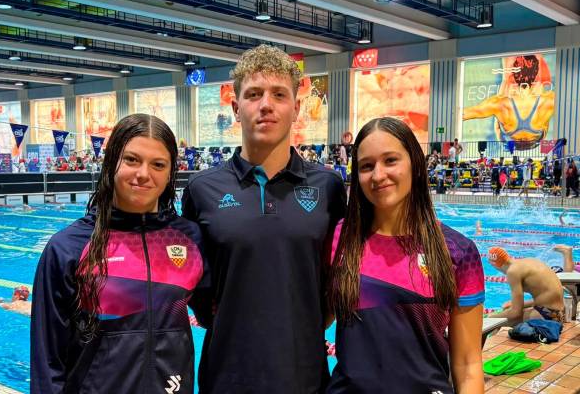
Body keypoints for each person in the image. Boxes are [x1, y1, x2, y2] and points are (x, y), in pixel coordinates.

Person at [182, 44, 346, 394]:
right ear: (236, 108)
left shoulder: (329, 187)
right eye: (254, 94)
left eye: (279, 94)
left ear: (297, 108)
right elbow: (197, 287)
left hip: (304, 376)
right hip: (227, 376)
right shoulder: (201, 189)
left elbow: (337, 279)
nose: (266, 105)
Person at [31, 114, 207, 393]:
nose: (143, 174)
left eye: (158, 164)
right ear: (112, 161)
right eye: (132, 160)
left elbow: (217, 314)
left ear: (171, 172)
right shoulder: (69, 248)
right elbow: (47, 360)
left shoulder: (190, 240)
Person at [327, 117, 484, 393]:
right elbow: (315, 320)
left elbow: (468, 364)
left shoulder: (458, 251)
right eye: (366, 166)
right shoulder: (341, 239)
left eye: (390, 160)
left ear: (415, 164)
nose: (377, 175)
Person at [463, 55, 554, 150]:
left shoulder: (500, 103)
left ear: (514, 74)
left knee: (504, 86)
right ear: (536, 72)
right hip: (535, 138)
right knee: (545, 108)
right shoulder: (549, 99)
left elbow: (464, 114)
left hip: (510, 138)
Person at [489, 247, 564, 324]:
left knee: (497, 324)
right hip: (558, 314)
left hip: (548, 316)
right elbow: (545, 297)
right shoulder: (527, 261)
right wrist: (518, 304)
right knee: (506, 313)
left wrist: (489, 317)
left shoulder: (512, 271)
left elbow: (515, 313)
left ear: (494, 265)